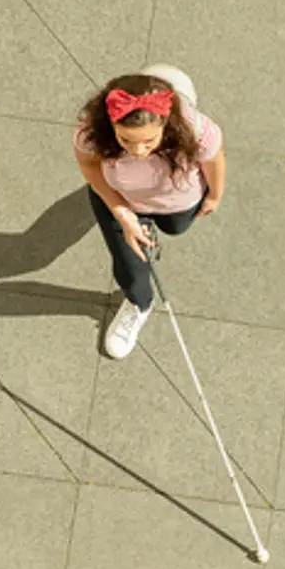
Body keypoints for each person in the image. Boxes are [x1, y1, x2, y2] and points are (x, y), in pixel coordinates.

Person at [73, 65, 225, 358]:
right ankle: (139, 303)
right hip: (120, 198)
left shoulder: (196, 131)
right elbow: (89, 166)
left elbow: (215, 161)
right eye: (126, 140)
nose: (138, 150)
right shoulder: (91, 133)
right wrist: (123, 214)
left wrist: (214, 196)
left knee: (176, 227)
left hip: (177, 200)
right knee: (131, 266)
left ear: (166, 125)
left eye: (148, 141)